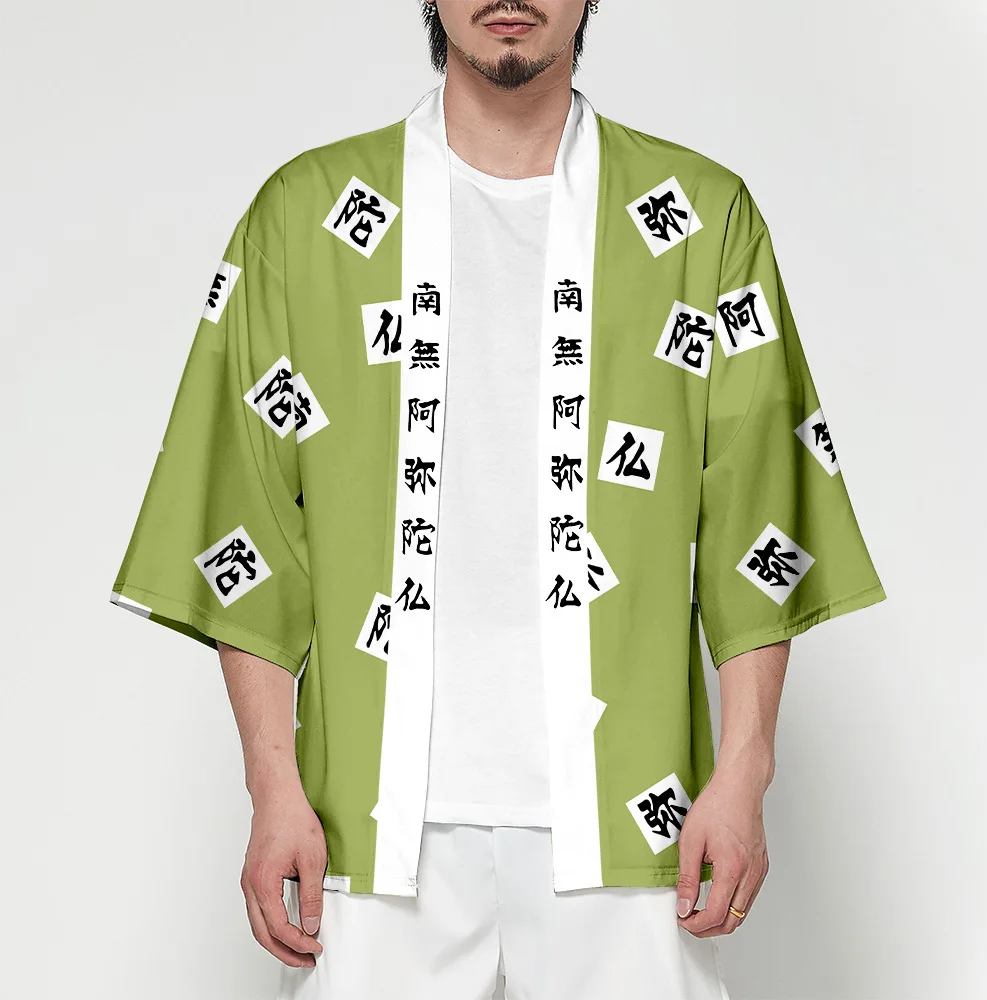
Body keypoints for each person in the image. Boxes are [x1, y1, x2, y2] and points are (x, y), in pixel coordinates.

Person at [109, 1, 886, 996]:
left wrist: (744, 773)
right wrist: (272, 790)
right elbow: (244, 519)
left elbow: (758, 512)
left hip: (628, 814)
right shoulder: (304, 218)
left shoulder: (700, 217)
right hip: (371, 825)